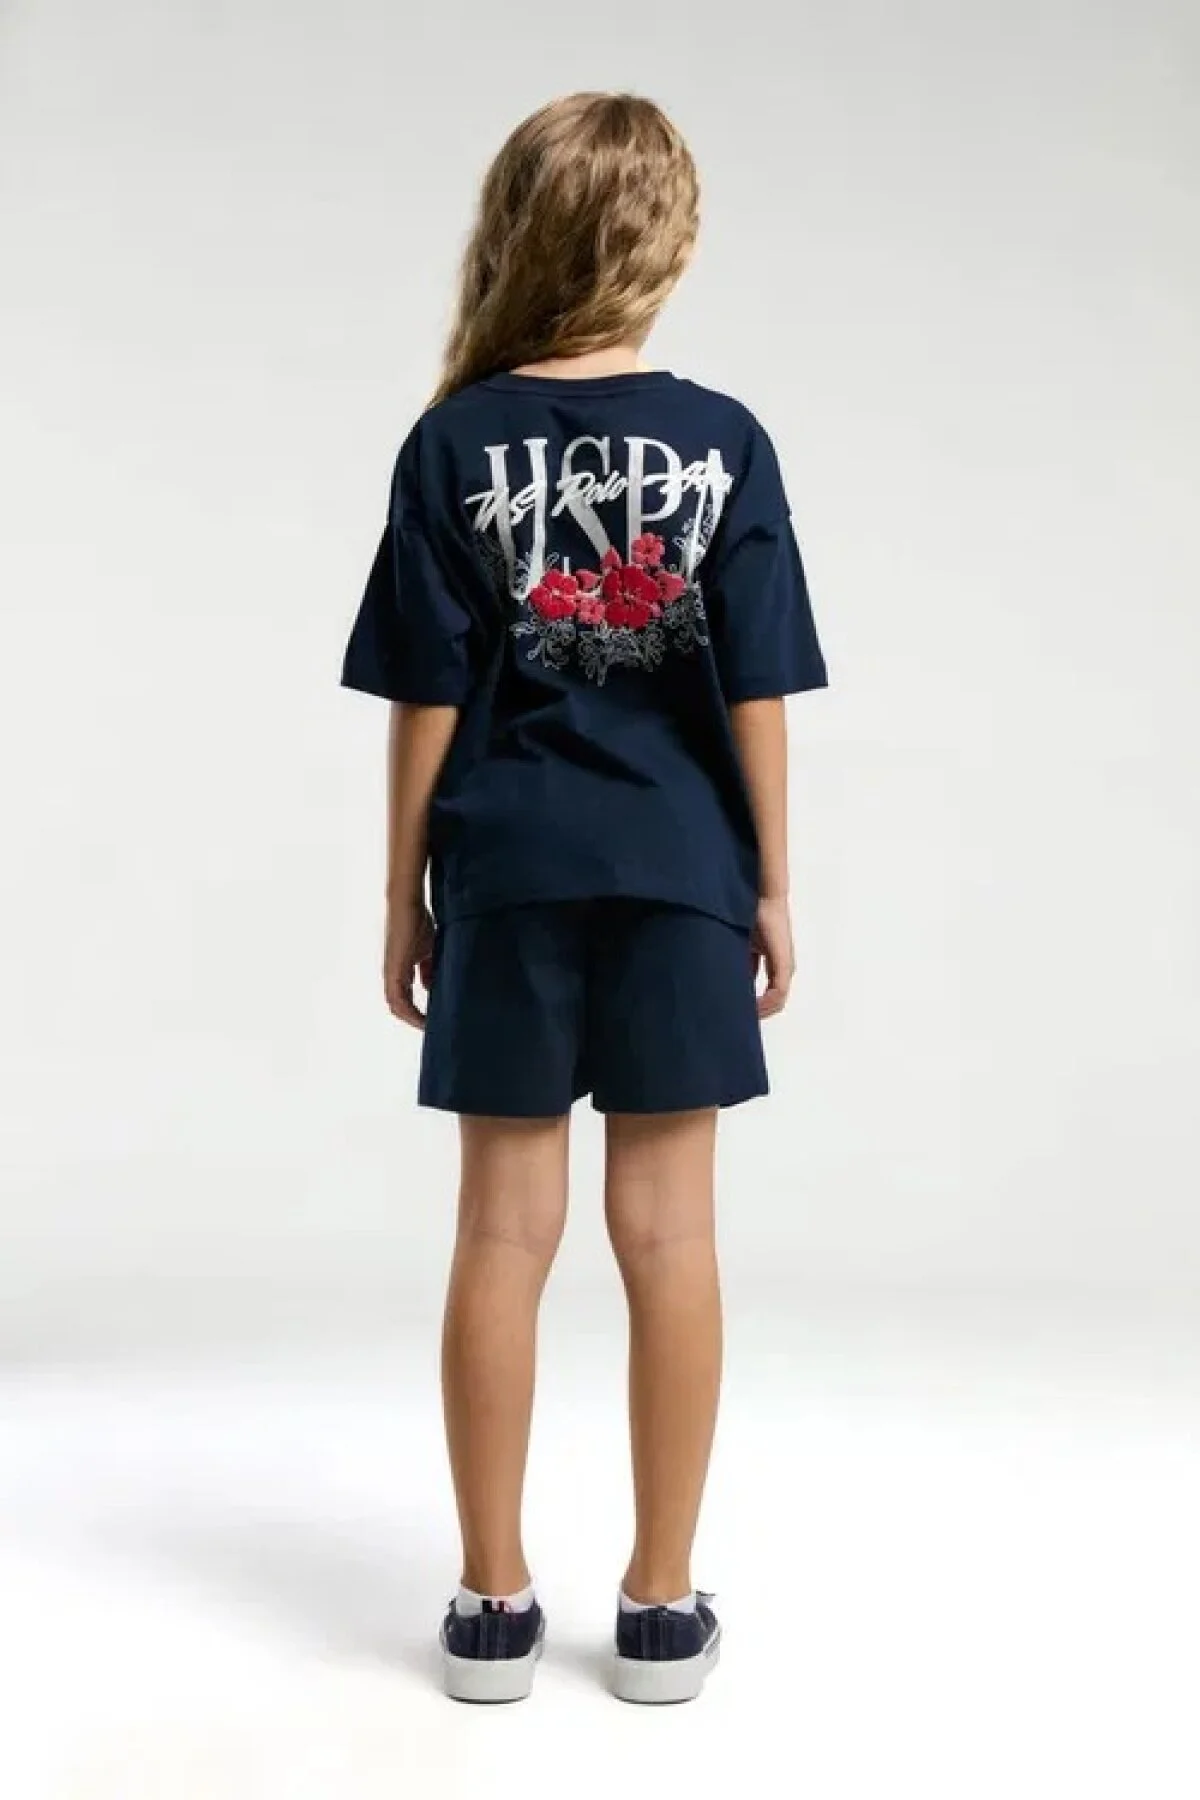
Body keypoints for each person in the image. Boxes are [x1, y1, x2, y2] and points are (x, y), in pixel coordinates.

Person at [341, 91, 827, 1706]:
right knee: (671, 1235)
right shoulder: (726, 440)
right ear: (666, 242)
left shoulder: (451, 443)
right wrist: (772, 882)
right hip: (683, 871)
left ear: (515, 233)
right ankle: (661, 1608)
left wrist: (405, 890)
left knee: (502, 1230)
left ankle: (490, 1607)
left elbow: (427, 693)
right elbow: (755, 685)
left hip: (508, 866)